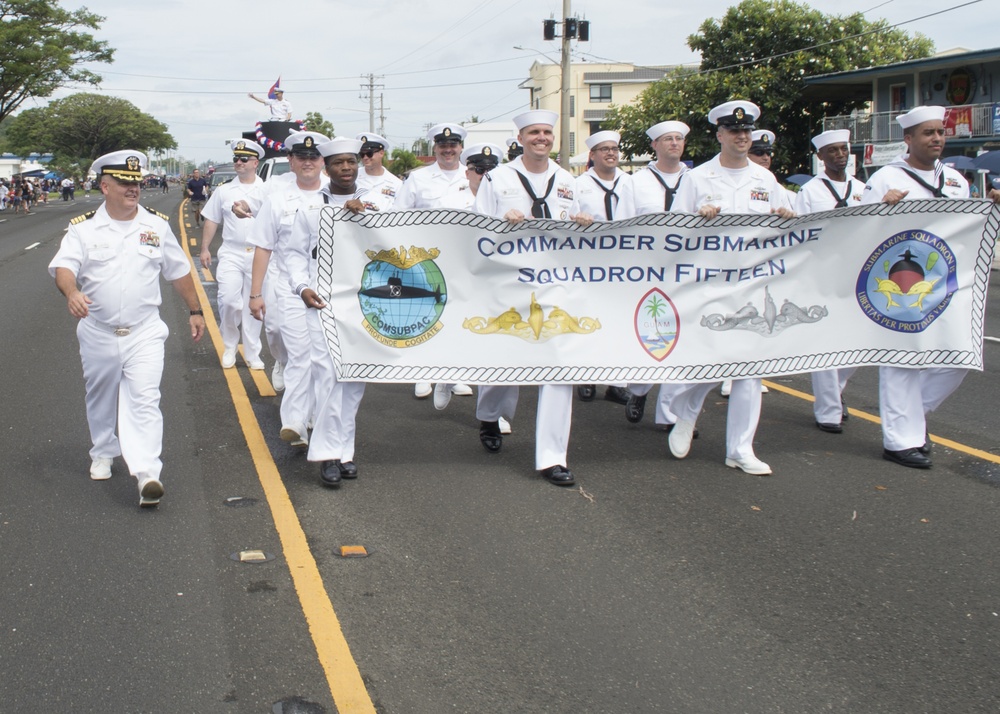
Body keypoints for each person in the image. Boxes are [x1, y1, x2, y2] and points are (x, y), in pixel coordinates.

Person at [48, 150, 206, 508]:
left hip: (145, 330)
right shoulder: (83, 229)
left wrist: (195, 310)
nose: (133, 188)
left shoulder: (156, 226)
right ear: (105, 186)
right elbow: (64, 268)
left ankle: (148, 472)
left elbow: (178, 270)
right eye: (124, 182)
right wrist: (72, 292)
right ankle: (103, 450)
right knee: (101, 395)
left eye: (136, 182)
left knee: (145, 399)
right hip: (98, 330)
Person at [861, 105, 1000, 468]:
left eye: (940, 131)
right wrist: (881, 208)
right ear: (909, 139)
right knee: (902, 360)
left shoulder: (955, 180)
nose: (937, 138)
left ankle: (912, 419)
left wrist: (989, 208)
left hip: (946, 280)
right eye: (928, 133)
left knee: (959, 355)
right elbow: (858, 230)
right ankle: (899, 440)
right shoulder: (886, 178)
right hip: (899, 279)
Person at [668, 100, 794, 476]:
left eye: (746, 131)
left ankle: (740, 449)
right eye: (733, 131)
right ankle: (686, 411)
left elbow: (791, 230)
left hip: (756, 284)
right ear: (720, 134)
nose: (741, 137)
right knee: (712, 361)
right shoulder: (698, 178)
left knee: (749, 368)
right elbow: (673, 230)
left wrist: (787, 216)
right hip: (710, 286)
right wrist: (696, 219)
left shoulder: (765, 180)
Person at [473, 109, 594, 486]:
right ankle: (490, 415)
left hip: (555, 283)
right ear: (521, 138)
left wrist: (583, 223)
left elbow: (581, 226)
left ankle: (552, 457)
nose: (541, 138)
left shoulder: (568, 180)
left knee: (559, 368)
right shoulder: (498, 178)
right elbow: (476, 231)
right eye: (534, 132)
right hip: (509, 282)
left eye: (546, 132)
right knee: (505, 358)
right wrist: (499, 224)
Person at [284, 137, 388, 486]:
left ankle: (345, 451)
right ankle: (327, 454)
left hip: (366, 302)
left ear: (358, 165)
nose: (345, 168)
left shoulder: (380, 202)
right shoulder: (311, 206)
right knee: (327, 376)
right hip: (323, 301)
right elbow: (296, 253)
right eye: (338, 163)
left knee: (354, 381)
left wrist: (366, 217)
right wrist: (301, 287)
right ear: (326, 169)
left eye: (351, 162)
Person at [248, 130, 331, 448]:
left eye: (313, 157)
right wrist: (256, 294)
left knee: (322, 359)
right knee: (299, 354)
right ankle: (295, 422)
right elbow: (263, 247)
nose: (308, 162)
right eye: (301, 157)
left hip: (331, 288)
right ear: (291, 162)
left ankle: (312, 416)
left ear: (322, 161)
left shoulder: (335, 195)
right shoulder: (278, 199)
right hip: (289, 287)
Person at [393, 122, 474, 401]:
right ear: (435, 148)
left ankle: (456, 373)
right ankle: (422, 372)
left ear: (461, 147)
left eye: (452, 145)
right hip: (426, 260)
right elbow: (399, 216)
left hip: (465, 259)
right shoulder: (418, 179)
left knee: (459, 315)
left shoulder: (476, 176)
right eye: (442, 145)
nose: (448, 150)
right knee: (425, 315)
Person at [795, 129, 867, 434]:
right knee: (826, 343)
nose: (840, 154)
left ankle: (835, 391)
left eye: (843, 149)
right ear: (821, 157)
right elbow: (800, 235)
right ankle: (827, 411)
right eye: (833, 150)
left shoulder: (865, 187)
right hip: (822, 274)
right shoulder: (810, 192)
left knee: (861, 340)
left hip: (860, 272)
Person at [623, 120, 692, 428]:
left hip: (686, 269)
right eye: (667, 139)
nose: (674, 143)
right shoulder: (636, 182)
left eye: (678, 139)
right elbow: (623, 227)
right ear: (654, 145)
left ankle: (670, 415)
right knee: (649, 337)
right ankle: (638, 389)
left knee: (683, 339)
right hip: (646, 271)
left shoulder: (698, 179)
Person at [573, 129, 634, 405]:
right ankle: (585, 376)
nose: (611, 153)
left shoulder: (630, 182)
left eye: (614, 149)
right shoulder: (579, 184)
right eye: (604, 149)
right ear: (592, 155)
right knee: (588, 319)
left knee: (620, 321)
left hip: (624, 261)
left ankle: (617, 382)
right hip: (590, 262)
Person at [199, 139, 268, 371]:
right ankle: (229, 345)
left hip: (259, 254)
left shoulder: (267, 190)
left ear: (255, 162)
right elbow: (211, 219)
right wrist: (205, 248)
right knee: (229, 300)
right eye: (236, 159)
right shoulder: (224, 190)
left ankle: (252, 352)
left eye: (243, 159)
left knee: (254, 305)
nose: (238, 163)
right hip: (231, 252)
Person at [355, 132, 402, 204]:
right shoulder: (353, 177)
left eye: (369, 154)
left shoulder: (396, 184)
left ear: (381, 153)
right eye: (362, 154)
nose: (365, 157)